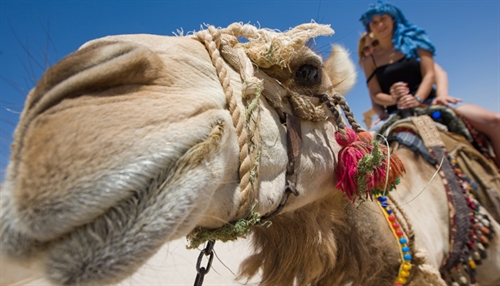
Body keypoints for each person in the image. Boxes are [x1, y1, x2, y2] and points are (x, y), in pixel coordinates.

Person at [358, 1, 500, 166]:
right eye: (374, 22)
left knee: (494, 120)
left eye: (383, 18)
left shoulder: (416, 43)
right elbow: (375, 94)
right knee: (364, 151)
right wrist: (393, 99)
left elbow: (430, 74)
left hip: (428, 103)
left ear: (393, 19)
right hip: (394, 114)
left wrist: (417, 99)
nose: (380, 24)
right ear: (369, 27)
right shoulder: (370, 61)